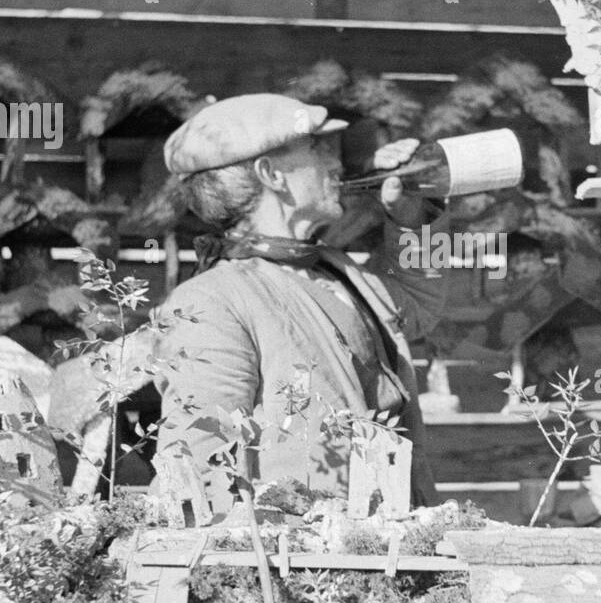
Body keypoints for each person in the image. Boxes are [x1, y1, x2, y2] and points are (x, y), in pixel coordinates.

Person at [154, 93, 437, 514]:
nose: (337, 163)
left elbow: (419, 306)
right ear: (271, 174)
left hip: (383, 543)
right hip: (308, 562)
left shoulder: (333, 271)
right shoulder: (213, 299)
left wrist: (413, 223)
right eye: (318, 149)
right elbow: (198, 465)